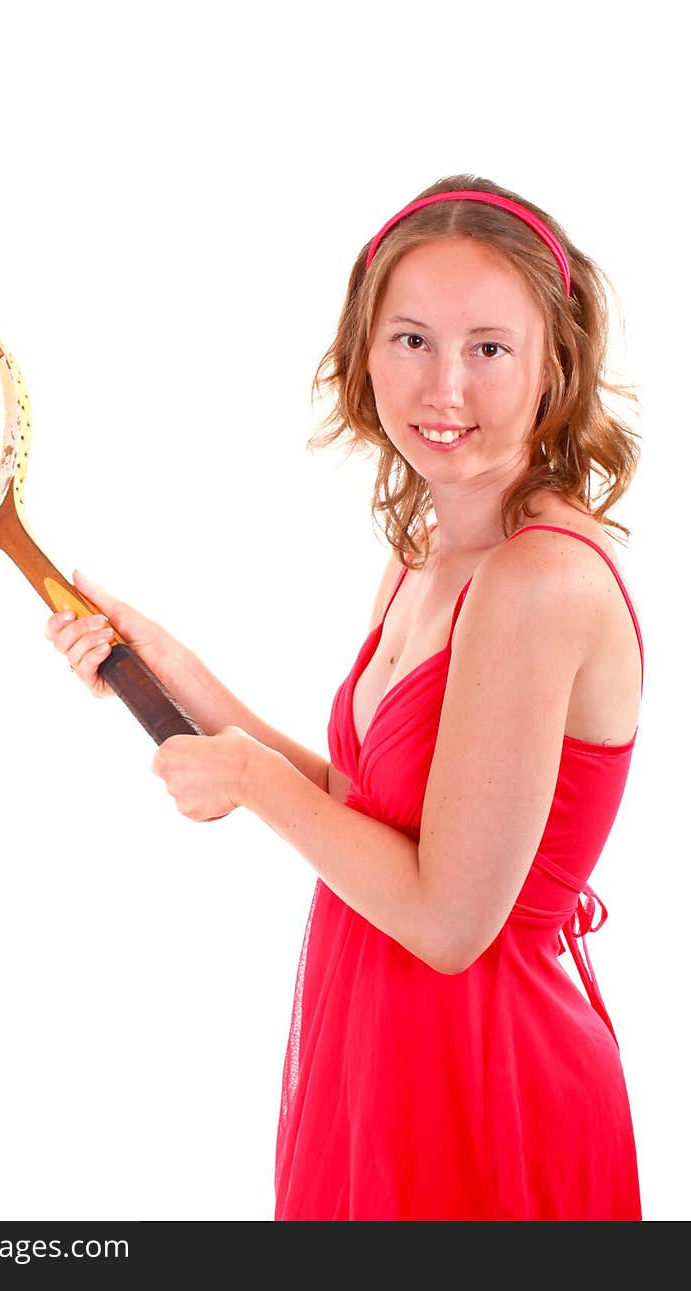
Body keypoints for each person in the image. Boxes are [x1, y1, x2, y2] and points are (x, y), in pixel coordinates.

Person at [45, 175, 644, 1221]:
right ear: (364, 354)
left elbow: (448, 919)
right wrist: (172, 663)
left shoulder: (536, 582)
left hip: (487, 1087)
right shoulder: (428, 550)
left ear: (554, 367)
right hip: (379, 1054)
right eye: (410, 339)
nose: (442, 386)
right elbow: (367, 810)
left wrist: (247, 779)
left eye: (487, 348)